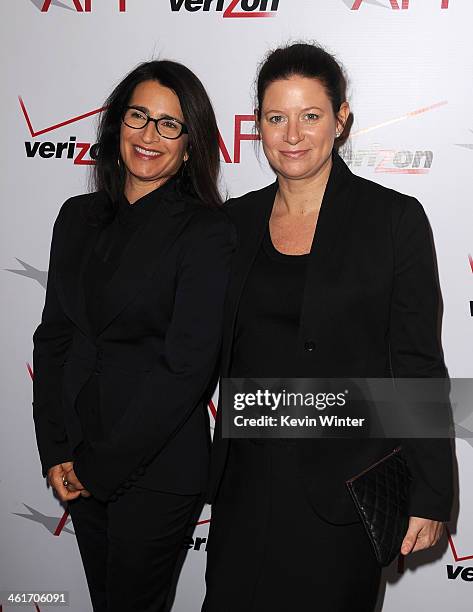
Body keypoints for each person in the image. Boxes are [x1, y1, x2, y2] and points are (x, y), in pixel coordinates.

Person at [202, 43, 454, 612]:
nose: (292, 134)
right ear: (258, 126)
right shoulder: (231, 224)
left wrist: (432, 492)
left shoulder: (394, 220)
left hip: (344, 492)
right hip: (245, 490)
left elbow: (415, 363)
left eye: (310, 115)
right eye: (276, 117)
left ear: (341, 120)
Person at [32, 59, 234, 612]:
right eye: (138, 116)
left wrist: (102, 467)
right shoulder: (76, 217)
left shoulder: (206, 232)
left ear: (190, 145)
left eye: (169, 124)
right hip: (76, 455)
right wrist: (56, 449)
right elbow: (53, 338)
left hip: (155, 468)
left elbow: (187, 368)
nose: (150, 135)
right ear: (116, 125)